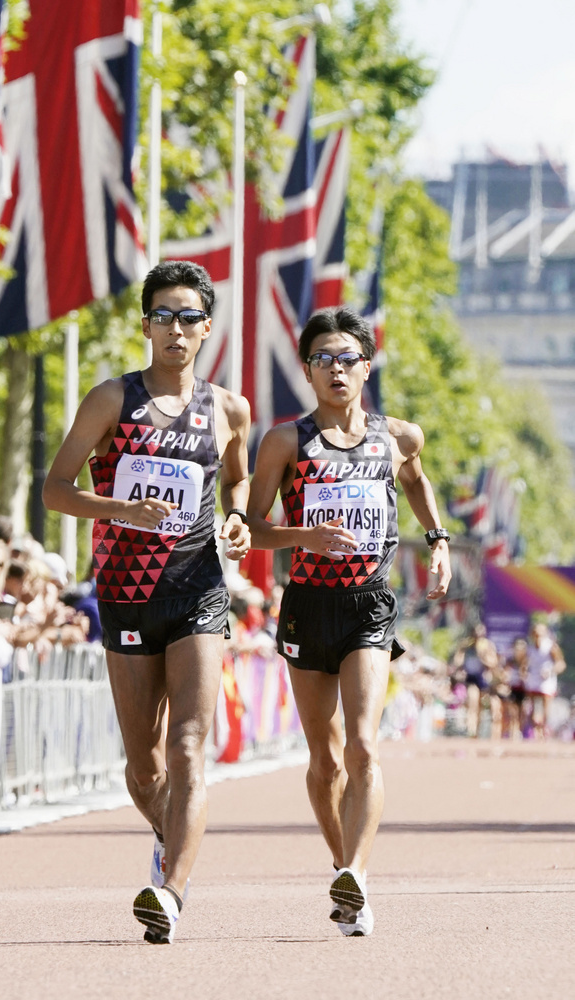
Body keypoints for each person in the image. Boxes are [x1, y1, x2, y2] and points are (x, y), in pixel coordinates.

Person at [43, 260, 251, 944]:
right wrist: (119, 510)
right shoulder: (112, 400)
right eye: (163, 315)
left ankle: (172, 889)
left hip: (197, 589)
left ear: (206, 329)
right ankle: (170, 834)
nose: (176, 328)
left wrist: (240, 517)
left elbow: (241, 484)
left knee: (190, 745)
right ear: (145, 326)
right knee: (145, 768)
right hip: (126, 595)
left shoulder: (227, 409)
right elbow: (55, 490)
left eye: (189, 317)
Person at [246, 306, 451, 937]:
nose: (336, 370)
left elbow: (416, 480)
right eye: (323, 360)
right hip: (308, 603)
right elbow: (253, 528)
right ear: (307, 370)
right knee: (324, 759)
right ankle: (342, 866)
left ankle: (357, 874)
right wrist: (302, 533)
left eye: (348, 359)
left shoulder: (397, 436)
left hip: (369, 602)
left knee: (363, 744)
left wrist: (437, 538)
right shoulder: (285, 441)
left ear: (366, 367)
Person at [525, 621, 566, 739]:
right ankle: (533, 731)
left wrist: (551, 671)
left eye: (539, 633)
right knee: (531, 706)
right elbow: (525, 663)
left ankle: (544, 731)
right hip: (533, 679)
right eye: (535, 633)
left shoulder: (550, 647)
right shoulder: (530, 648)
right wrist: (524, 672)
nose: (537, 636)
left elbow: (561, 664)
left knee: (545, 706)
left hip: (547, 681)